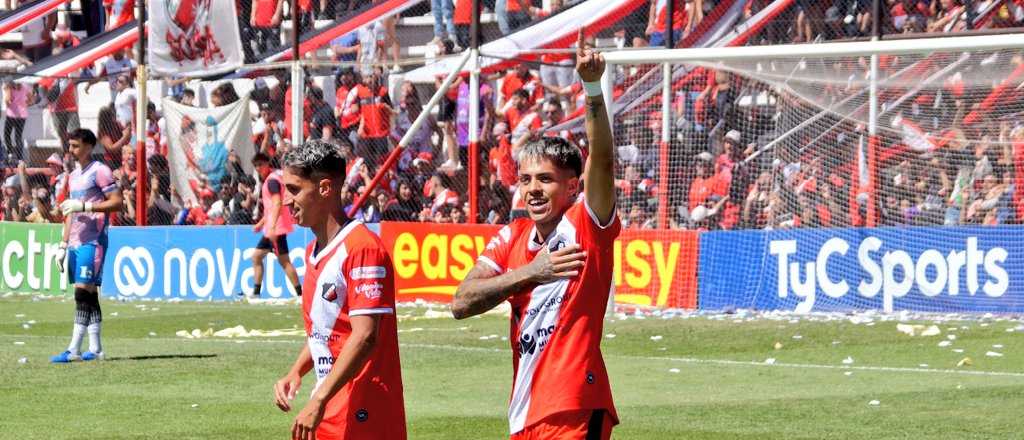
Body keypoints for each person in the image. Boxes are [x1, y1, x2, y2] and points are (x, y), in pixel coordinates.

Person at [451, 29, 618, 439]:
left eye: (545, 179)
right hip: (524, 411)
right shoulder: (513, 235)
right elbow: (461, 303)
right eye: (526, 179)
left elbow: (604, 162)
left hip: (574, 405)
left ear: (573, 187)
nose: (532, 189)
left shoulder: (585, 224)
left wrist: (592, 86)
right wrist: (531, 272)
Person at [273, 139, 406, 440]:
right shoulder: (313, 251)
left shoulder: (363, 249)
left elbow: (364, 336)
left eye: (294, 189)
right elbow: (330, 330)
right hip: (332, 407)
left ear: (324, 188)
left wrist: (318, 400)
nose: (286, 200)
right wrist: (297, 371)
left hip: (364, 411)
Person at [51, 129, 124, 363]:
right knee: (89, 295)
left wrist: (86, 207)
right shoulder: (73, 176)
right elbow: (70, 212)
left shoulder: (100, 171)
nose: (70, 150)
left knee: (81, 292)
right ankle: (96, 348)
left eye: (75, 146)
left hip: (93, 240)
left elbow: (117, 202)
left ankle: (74, 349)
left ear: (89, 147)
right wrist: (63, 245)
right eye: (69, 145)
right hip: (75, 241)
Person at [248, 153, 301, 298]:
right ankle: (257, 293)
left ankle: (299, 294)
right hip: (274, 227)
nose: (258, 168)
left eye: (260, 164)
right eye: (256, 166)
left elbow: (277, 203)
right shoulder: (272, 179)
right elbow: (271, 208)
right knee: (260, 258)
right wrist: (260, 224)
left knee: (280, 260)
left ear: (267, 164)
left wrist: (271, 228)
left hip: (275, 229)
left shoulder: (271, 181)